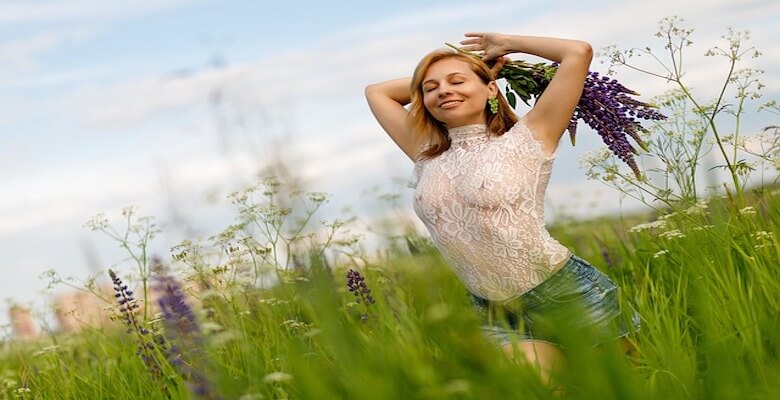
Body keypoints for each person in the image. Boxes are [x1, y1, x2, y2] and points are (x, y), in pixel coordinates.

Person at [364, 32, 640, 384]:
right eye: (430, 88)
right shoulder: (426, 150)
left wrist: (504, 48)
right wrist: (473, 75)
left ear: (491, 90)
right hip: (493, 310)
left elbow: (577, 52)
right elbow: (377, 92)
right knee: (532, 389)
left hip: (565, 293)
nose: (443, 91)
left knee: (623, 389)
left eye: (456, 81)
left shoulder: (530, 136)